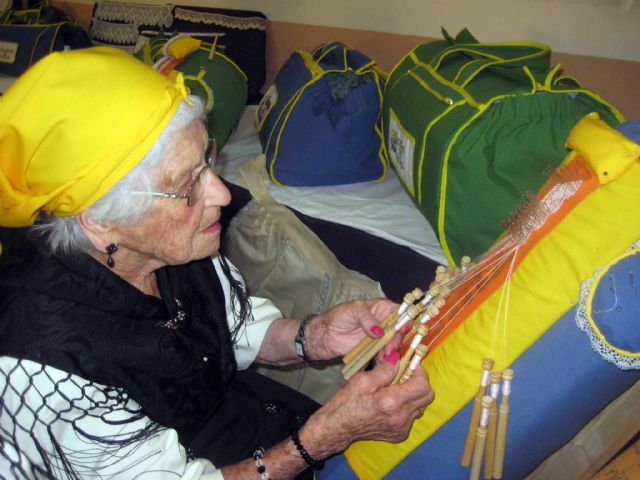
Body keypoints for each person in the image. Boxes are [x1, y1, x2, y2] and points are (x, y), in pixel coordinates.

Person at [0, 47, 434, 479]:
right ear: (99, 221)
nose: (223, 196)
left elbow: (233, 327)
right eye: (188, 184)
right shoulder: (43, 364)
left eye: (207, 159)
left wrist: (313, 335)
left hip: (246, 422)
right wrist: (321, 438)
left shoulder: (172, 246)